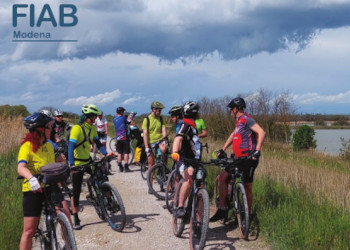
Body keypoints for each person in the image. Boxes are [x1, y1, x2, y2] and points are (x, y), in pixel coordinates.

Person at [17, 112, 71, 250]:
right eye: (49, 127)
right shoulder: (27, 147)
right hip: (33, 189)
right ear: (40, 129)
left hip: (51, 185)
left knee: (66, 213)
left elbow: (59, 159)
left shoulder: (49, 145)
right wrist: (31, 178)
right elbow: (21, 167)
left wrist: (64, 163)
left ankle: (69, 245)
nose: (52, 130)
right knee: (29, 231)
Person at [210, 97, 266, 222]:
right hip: (239, 158)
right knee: (225, 177)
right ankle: (224, 209)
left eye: (231, 110)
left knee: (245, 185)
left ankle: (245, 214)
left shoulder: (246, 119)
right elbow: (233, 135)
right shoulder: (239, 121)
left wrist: (257, 150)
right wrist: (223, 149)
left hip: (248, 158)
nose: (230, 112)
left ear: (236, 109)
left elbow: (261, 132)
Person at [68, 104, 113, 229]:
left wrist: (105, 154)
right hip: (77, 163)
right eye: (94, 116)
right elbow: (70, 148)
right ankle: (76, 217)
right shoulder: (77, 129)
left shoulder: (92, 128)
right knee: (76, 191)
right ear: (89, 117)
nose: (96, 118)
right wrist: (71, 165)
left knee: (101, 176)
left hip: (87, 161)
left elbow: (98, 142)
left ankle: (109, 201)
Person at [171, 101, 201, 218]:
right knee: (189, 177)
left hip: (195, 161)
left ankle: (199, 219)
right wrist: (174, 152)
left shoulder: (193, 126)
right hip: (184, 160)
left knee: (201, 184)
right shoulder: (186, 125)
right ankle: (180, 206)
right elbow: (178, 139)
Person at [142, 101, 168, 171]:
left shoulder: (161, 119)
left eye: (161, 110)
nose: (160, 112)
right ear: (154, 109)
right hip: (151, 143)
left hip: (159, 141)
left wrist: (163, 141)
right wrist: (146, 147)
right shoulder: (147, 119)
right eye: (159, 110)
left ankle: (163, 175)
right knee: (151, 163)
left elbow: (164, 131)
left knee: (164, 160)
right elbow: (145, 134)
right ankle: (150, 180)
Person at [113, 107, 132, 173]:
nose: (123, 113)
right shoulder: (123, 118)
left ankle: (120, 167)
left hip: (118, 138)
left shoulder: (114, 119)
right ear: (121, 112)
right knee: (126, 152)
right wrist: (129, 118)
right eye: (123, 112)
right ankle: (126, 167)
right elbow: (129, 122)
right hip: (124, 137)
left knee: (119, 153)